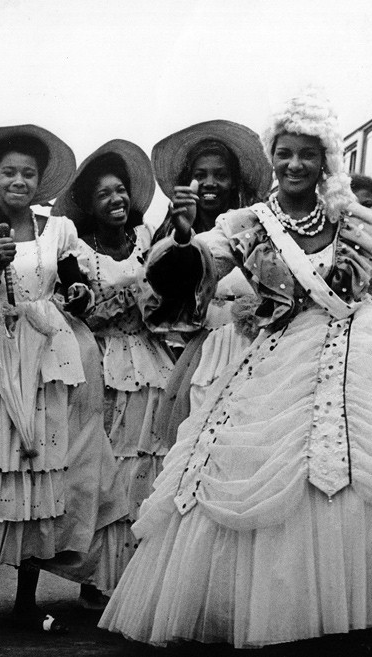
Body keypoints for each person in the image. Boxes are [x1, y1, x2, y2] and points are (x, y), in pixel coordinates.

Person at [99, 93, 372, 648]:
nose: (295, 164)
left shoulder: (352, 221)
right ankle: (289, 606)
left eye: (307, 154)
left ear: (324, 159)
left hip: (369, 352)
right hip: (281, 360)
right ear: (272, 158)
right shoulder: (247, 224)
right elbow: (187, 271)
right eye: (285, 153)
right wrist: (181, 235)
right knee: (279, 480)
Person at [0, 124, 127, 634]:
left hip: (47, 353)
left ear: (40, 181)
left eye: (27, 173)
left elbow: (73, 283)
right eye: (8, 172)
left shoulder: (58, 229)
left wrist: (79, 297)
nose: (18, 180)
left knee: (39, 467)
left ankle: (26, 594)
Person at [50, 140, 175, 606]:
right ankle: (98, 578)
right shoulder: (80, 253)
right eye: (104, 194)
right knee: (107, 466)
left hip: (150, 356)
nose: (116, 200)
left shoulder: (146, 240)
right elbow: (81, 313)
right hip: (104, 360)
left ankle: (144, 571)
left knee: (149, 459)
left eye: (120, 190)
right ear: (89, 203)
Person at [145, 121, 270, 472]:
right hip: (195, 353)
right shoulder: (171, 233)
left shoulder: (256, 226)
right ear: (188, 182)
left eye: (221, 174)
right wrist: (182, 231)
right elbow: (160, 298)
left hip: (254, 348)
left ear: (235, 181)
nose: (211, 183)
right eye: (202, 174)